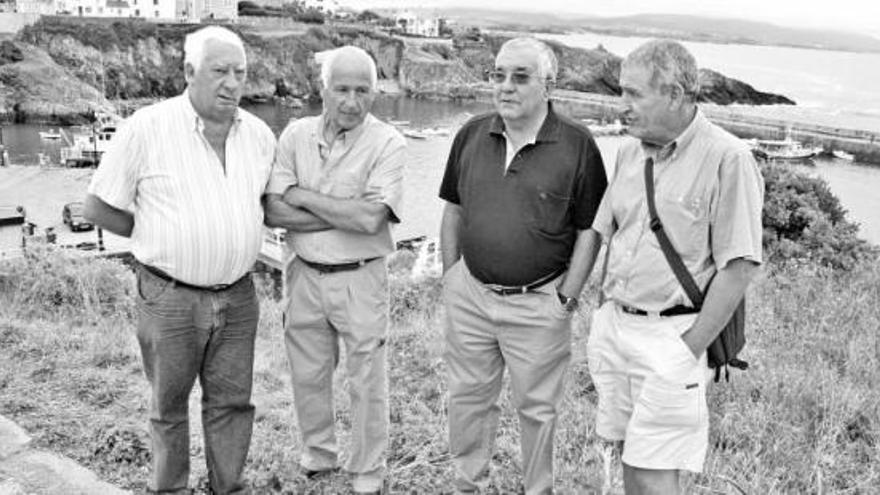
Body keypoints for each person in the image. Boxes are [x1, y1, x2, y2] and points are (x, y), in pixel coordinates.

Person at [83, 26, 276, 494]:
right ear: (189, 72)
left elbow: (266, 204)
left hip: (238, 295)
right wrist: (152, 231)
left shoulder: (259, 135)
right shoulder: (147, 128)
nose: (232, 83)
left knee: (233, 402)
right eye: (219, 71)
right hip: (169, 296)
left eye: (240, 72)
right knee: (168, 406)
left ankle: (227, 487)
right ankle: (169, 489)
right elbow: (97, 206)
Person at [585, 40, 764, 494]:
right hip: (619, 327)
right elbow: (610, 231)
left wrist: (688, 348)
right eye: (621, 92)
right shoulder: (629, 152)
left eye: (633, 94)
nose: (622, 106)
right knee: (630, 454)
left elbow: (739, 266)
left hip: (672, 336)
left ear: (675, 94)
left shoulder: (728, 158)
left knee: (656, 472)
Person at [438, 37, 607, 494]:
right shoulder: (471, 134)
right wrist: (452, 277)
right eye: (498, 75)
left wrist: (567, 297)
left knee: (537, 409)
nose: (505, 86)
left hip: (539, 302)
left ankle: (538, 488)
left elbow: (590, 230)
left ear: (548, 86)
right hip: (470, 295)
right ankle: (467, 483)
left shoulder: (578, 145)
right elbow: (453, 209)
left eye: (520, 76)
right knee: (468, 399)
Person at [263, 45, 405, 495]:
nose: (351, 101)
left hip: (360, 277)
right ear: (322, 90)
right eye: (341, 89)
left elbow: (369, 220)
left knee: (367, 379)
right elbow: (272, 211)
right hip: (303, 271)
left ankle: (366, 471)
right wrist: (344, 210)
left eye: (362, 90)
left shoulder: (389, 143)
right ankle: (318, 456)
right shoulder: (294, 135)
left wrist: (301, 196)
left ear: (374, 94)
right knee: (307, 373)